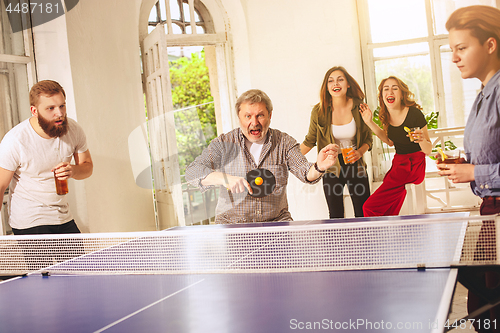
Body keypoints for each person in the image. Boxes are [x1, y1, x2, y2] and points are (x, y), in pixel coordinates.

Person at [185, 89, 338, 224]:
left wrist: (319, 166)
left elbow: (305, 172)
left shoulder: (284, 142)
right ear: (239, 117)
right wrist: (225, 179)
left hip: (276, 225)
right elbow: (192, 172)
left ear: (270, 115)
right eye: (248, 116)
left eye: (260, 115)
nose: (254, 122)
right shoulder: (224, 143)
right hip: (232, 226)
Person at [442, 5, 500, 332]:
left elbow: (485, 170)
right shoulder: (482, 94)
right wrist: (465, 165)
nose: (454, 57)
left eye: (461, 48)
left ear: (490, 45)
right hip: (490, 215)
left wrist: (474, 173)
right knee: (484, 310)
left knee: (490, 314)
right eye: (452, 50)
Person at [0, 80, 93, 235]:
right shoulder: (15, 140)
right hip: (28, 220)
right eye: (51, 108)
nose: (60, 113)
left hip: (62, 217)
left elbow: (87, 167)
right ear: (34, 111)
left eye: (62, 106)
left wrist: (73, 171)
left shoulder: (74, 130)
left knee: (81, 261)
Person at [301, 66, 372, 218]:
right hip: (331, 166)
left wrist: (359, 153)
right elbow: (309, 141)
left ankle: (366, 242)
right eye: (331, 81)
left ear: (347, 84)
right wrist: (286, 159)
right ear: (326, 87)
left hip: (355, 165)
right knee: (335, 214)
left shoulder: (359, 107)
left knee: (363, 213)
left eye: (340, 79)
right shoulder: (318, 111)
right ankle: (339, 242)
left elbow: (368, 138)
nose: (336, 83)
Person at [359, 76, 432, 216]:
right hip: (399, 165)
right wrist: (369, 122)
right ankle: (390, 229)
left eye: (395, 88)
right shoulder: (386, 115)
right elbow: (390, 141)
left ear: (402, 94)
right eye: (386, 89)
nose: (390, 91)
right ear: (382, 95)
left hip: (414, 165)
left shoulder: (414, 114)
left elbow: (428, 150)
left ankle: (379, 233)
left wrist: (421, 139)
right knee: (388, 208)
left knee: (368, 207)